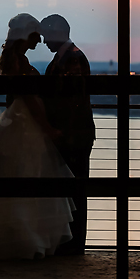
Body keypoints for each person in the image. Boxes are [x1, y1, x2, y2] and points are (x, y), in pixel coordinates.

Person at [0, 13, 75, 259]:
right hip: (26, 121)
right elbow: (29, 98)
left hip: (17, 120)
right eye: (36, 35)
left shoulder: (14, 59)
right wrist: (47, 127)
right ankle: (25, 241)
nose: (39, 40)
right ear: (26, 35)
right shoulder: (19, 62)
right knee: (28, 176)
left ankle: (18, 238)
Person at [40, 14, 95, 255]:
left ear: (57, 32)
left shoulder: (72, 58)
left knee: (74, 190)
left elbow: (73, 101)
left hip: (74, 136)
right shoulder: (68, 56)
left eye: (45, 36)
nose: (43, 42)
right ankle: (70, 243)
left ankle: (73, 245)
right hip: (72, 135)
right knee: (72, 190)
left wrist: (61, 131)